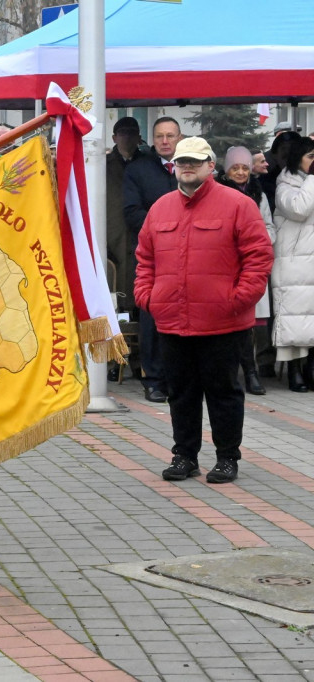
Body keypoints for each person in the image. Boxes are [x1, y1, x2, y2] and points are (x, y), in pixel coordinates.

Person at [135, 137, 273, 485]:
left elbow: (258, 258)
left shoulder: (238, 205)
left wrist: (237, 299)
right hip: (172, 320)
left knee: (224, 393)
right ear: (175, 166)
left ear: (211, 166)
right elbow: (145, 258)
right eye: (182, 162)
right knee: (181, 393)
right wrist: (147, 296)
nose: (188, 167)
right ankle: (184, 456)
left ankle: (227, 457)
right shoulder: (160, 208)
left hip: (223, 322)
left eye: (195, 162)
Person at [123, 116, 182, 403]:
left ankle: (179, 377)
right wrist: (168, 226)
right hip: (152, 255)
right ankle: (154, 379)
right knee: (152, 315)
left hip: (189, 255)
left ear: (179, 138)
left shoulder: (190, 167)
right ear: (153, 138)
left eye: (170, 136)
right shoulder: (138, 170)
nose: (165, 141)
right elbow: (132, 212)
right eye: (160, 136)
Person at [218, 146, 275, 395]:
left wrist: (258, 241)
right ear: (226, 170)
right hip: (228, 266)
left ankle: (253, 372)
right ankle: (240, 372)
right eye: (235, 168)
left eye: (244, 168)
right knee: (233, 323)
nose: (240, 172)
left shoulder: (258, 194)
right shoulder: (219, 194)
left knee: (252, 324)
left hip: (251, 264)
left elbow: (269, 227)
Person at [271, 136, 314, 392]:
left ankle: (310, 368)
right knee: (293, 320)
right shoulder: (284, 184)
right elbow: (299, 208)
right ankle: (294, 371)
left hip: (309, 261)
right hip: (293, 264)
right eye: (310, 157)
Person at [106, 117, 144, 313]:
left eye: (132, 133)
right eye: (122, 133)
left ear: (139, 137)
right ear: (114, 137)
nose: (127, 137)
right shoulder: (102, 166)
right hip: (112, 235)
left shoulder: (149, 165)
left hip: (139, 232)